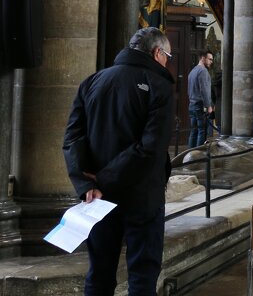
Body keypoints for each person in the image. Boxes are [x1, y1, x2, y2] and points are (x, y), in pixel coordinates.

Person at [63, 27, 175, 296]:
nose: (167, 61)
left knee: (99, 273)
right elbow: (151, 149)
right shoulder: (160, 86)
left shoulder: (93, 81)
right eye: (168, 56)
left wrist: (86, 184)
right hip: (142, 196)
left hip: (98, 199)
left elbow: (72, 138)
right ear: (157, 52)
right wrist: (103, 180)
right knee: (142, 275)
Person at [187, 50, 214, 147]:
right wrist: (209, 105)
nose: (211, 61)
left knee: (193, 131)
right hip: (200, 105)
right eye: (210, 59)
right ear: (203, 58)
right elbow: (204, 90)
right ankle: (198, 157)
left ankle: (190, 155)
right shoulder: (203, 71)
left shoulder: (193, 71)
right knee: (202, 131)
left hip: (192, 105)